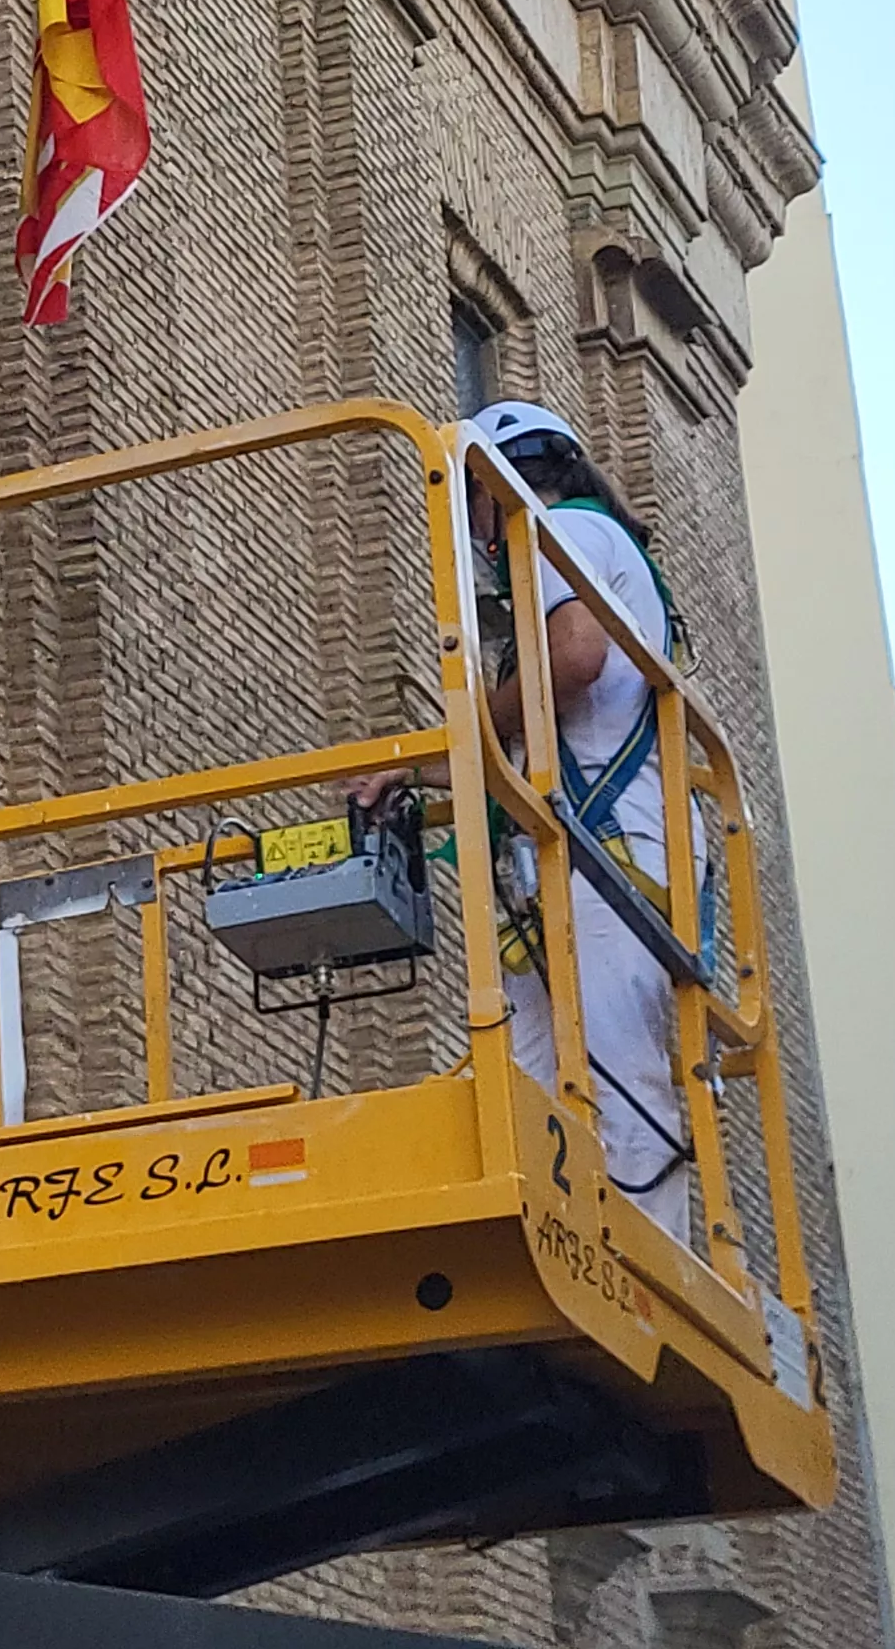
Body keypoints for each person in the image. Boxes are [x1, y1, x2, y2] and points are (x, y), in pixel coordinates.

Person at [363, 400, 695, 1243]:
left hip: (604, 858)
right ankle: (557, 1242)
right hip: (577, 858)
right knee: (535, 1080)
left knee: (619, 1077)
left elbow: (574, 661)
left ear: (498, 485)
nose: (479, 534)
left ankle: (645, 1266)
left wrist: (463, 737)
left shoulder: (563, 533)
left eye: (475, 503)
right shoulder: (587, 546)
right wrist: (421, 767)